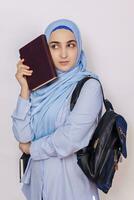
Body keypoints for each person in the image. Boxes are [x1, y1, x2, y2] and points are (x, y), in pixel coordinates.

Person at [12, 19, 103, 200]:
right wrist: (24, 89)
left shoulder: (89, 86)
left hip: (71, 188)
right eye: (54, 46)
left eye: (70, 45)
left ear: (78, 48)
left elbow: (70, 139)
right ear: (46, 51)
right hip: (39, 188)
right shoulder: (39, 88)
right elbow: (22, 136)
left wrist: (32, 149)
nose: (63, 54)